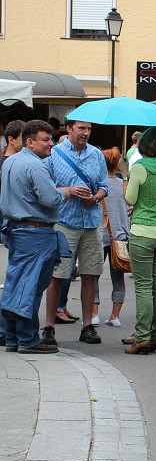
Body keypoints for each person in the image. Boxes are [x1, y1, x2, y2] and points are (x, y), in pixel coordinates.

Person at [1, 121, 91, 353]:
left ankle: (12, 337)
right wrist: (67, 191)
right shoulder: (35, 166)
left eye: (50, 139)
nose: (50, 143)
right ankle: (28, 339)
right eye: (45, 140)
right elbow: (50, 199)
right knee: (29, 287)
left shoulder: (10, 161)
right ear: (29, 141)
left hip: (18, 230)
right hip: (35, 232)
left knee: (17, 284)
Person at [42, 120, 109, 347]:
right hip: (64, 222)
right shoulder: (55, 153)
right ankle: (49, 326)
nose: (86, 133)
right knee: (57, 275)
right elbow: (46, 187)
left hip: (91, 222)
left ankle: (87, 325)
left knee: (90, 275)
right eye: (81, 128)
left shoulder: (96, 154)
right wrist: (68, 191)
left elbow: (103, 186)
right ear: (69, 129)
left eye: (89, 129)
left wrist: (95, 198)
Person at [124, 127, 156, 355]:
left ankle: (142, 337)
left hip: (143, 231)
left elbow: (130, 198)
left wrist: (128, 177)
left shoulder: (139, 167)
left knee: (143, 286)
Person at [99, 147, 128, 328]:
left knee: (92, 275)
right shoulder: (123, 185)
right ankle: (115, 315)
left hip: (100, 234)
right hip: (121, 236)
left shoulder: (98, 185)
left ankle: (93, 313)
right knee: (118, 278)